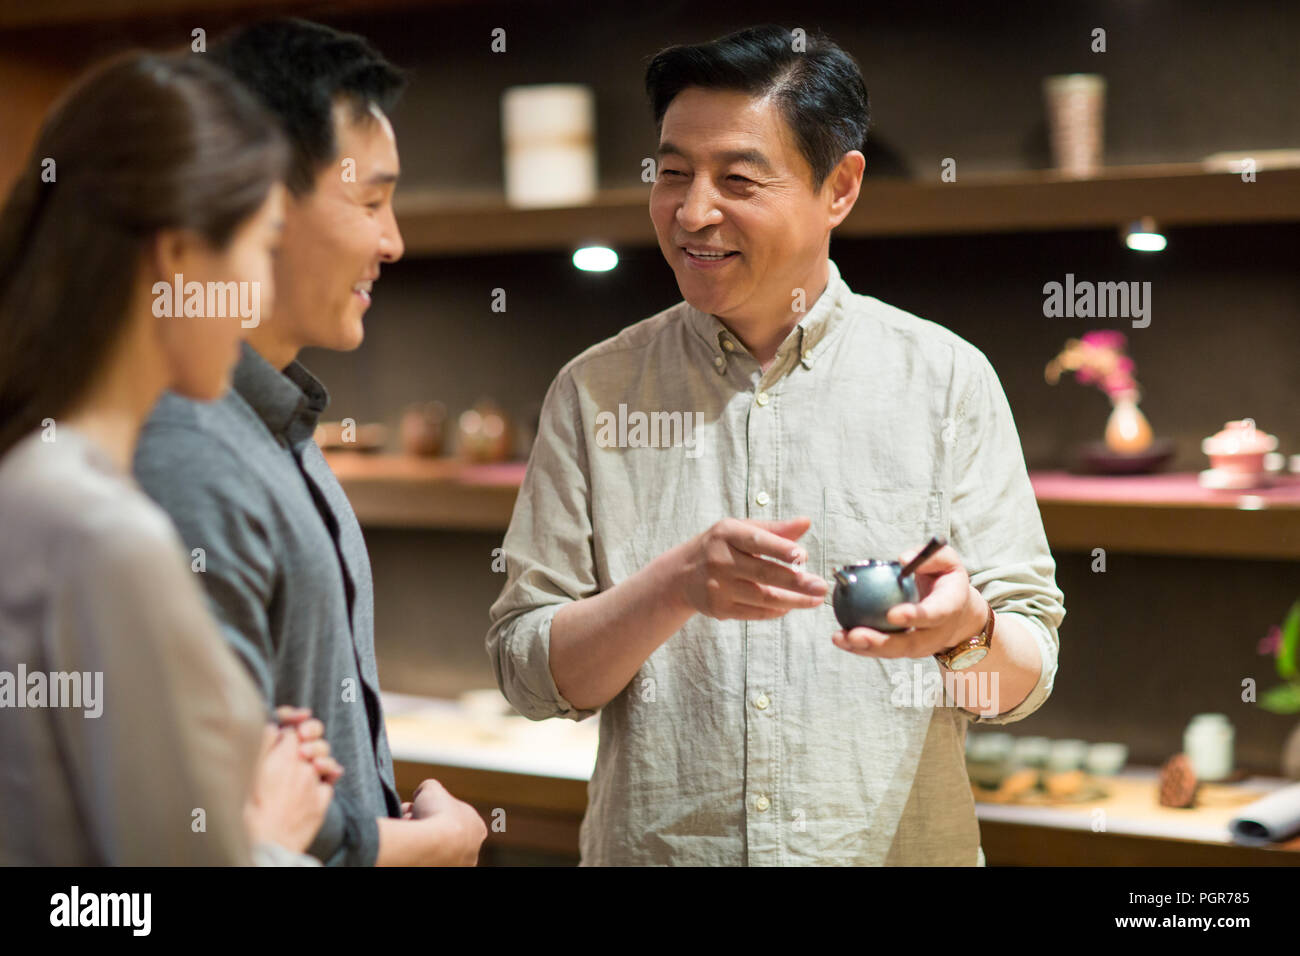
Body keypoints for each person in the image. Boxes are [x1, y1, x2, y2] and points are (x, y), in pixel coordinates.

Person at [488, 24, 1066, 865]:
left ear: (840, 187)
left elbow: (1019, 687)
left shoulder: (944, 380)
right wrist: (671, 589)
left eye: (737, 179)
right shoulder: (596, 390)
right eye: (672, 173)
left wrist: (965, 631)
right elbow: (527, 672)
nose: (691, 213)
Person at [133, 18, 486, 866]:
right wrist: (420, 846)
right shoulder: (185, 448)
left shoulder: (275, 419)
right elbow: (201, 798)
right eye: (369, 202)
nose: (392, 240)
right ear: (260, 203)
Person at [0, 51, 335, 865]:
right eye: (262, 247)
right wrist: (272, 837)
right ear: (180, 257)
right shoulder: (100, 532)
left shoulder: (32, 487)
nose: (258, 294)